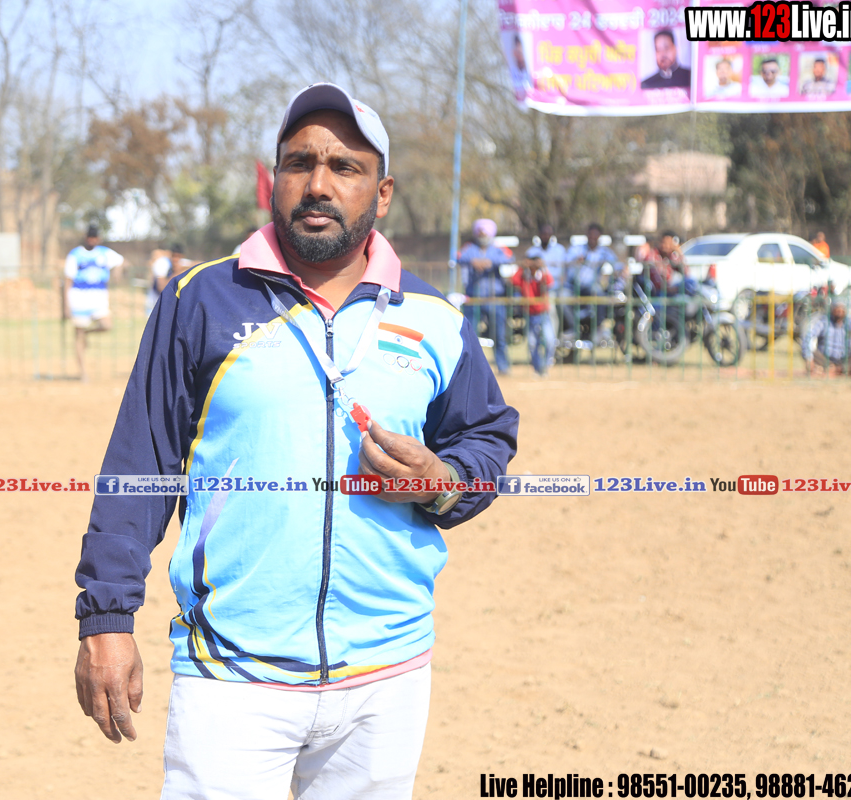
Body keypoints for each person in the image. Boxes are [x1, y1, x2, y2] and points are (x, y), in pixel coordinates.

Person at [72, 82, 519, 800]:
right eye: (299, 162)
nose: (318, 184)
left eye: (345, 167)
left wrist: (444, 481)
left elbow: (486, 436)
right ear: (274, 178)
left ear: (383, 193)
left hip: (387, 673)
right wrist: (106, 615)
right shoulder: (200, 300)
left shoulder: (435, 316)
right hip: (231, 673)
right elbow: (141, 465)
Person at [64, 225, 125, 381]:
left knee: (106, 325)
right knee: (78, 335)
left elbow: (121, 261)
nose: (92, 240)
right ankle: (83, 373)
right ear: (86, 238)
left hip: (98, 300)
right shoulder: (75, 254)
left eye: (94, 237)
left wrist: (117, 274)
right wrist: (66, 304)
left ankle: (88, 333)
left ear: (98, 239)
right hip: (78, 300)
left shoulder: (104, 253)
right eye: (90, 237)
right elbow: (68, 280)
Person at [457, 219, 512, 374]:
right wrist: (473, 261)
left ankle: (503, 366)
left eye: (485, 233)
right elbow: (458, 257)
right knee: (470, 335)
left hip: (495, 297)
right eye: (480, 233)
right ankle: (471, 369)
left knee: (499, 335)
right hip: (474, 297)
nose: (482, 236)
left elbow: (509, 258)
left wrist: (489, 262)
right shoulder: (469, 248)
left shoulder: (498, 248)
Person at [563, 223, 618, 338]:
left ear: (599, 237)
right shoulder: (577, 249)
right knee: (562, 297)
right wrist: (575, 261)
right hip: (572, 286)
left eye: (595, 235)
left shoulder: (604, 252)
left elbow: (617, 264)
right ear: (587, 235)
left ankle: (597, 328)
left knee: (600, 295)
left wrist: (623, 269)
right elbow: (566, 261)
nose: (592, 237)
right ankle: (573, 329)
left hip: (590, 286)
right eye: (590, 235)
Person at [511, 246, 555, 376]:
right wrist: (522, 267)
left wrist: (542, 268)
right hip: (529, 314)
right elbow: (514, 281)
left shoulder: (542, 274)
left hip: (543, 313)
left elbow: (550, 283)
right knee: (532, 343)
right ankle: (537, 368)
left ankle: (546, 364)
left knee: (549, 340)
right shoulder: (524, 275)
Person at [802, 302, 851, 377]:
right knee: (811, 352)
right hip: (825, 360)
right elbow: (808, 337)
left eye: (842, 309)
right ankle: (835, 369)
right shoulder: (823, 321)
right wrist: (809, 357)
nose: (839, 312)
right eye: (837, 309)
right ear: (832, 309)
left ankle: (834, 370)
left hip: (845, 360)